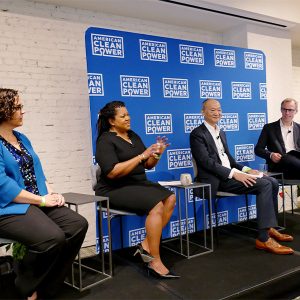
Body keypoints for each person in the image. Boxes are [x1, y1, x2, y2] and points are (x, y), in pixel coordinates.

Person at [0, 88, 88, 300]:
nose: (23, 111)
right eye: (18, 107)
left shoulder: (21, 138)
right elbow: (3, 186)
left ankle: (48, 285)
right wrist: (41, 200)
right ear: (3, 110)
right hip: (8, 206)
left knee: (77, 225)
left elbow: (38, 171)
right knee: (52, 238)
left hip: (34, 201)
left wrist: (52, 194)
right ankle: (26, 285)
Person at [190, 98, 294, 255]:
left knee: (272, 181)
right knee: (264, 185)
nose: (217, 113)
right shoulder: (197, 134)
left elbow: (229, 159)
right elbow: (206, 162)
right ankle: (263, 239)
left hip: (231, 175)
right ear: (202, 112)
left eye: (219, 109)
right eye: (212, 110)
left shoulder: (221, 132)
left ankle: (269, 227)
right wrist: (235, 174)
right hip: (217, 180)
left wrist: (246, 170)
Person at [95, 100, 179, 279]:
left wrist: (157, 154)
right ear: (111, 121)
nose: (128, 118)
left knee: (170, 198)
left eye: (128, 115)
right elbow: (112, 172)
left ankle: (145, 245)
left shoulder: (133, 135)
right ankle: (154, 260)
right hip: (114, 188)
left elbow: (148, 165)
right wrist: (142, 155)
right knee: (156, 206)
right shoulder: (105, 140)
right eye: (123, 116)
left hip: (138, 184)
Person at [255, 98, 300, 179]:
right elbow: (258, 149)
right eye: (284, 109)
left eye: (290, 110)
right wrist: (271, 155)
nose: (287, 113)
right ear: (281, 109)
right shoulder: (269, 128)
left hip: (296, 166)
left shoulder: (299, 128)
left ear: (296, 111)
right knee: (287, 157)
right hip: (279, 166)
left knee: (292, 157)